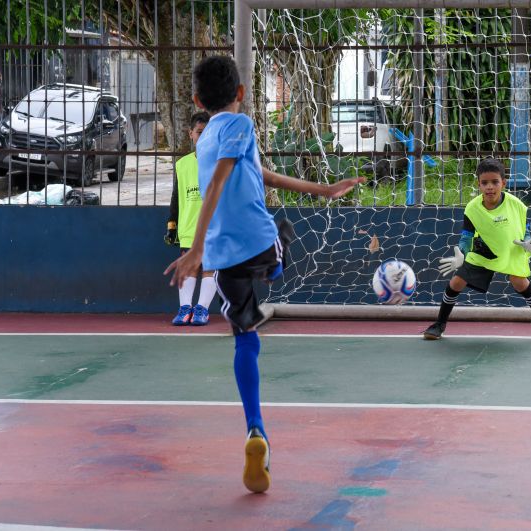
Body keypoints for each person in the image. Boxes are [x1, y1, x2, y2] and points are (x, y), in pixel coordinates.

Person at [164, 55, 364, 493]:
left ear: (197, 100)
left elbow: (258, 172)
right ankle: (275, 267)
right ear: (240, 93)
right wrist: (193, 247)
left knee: (244, 333)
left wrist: (323, 190)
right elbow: (219, 181)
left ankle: (256, 429)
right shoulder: (240, 125)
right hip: (255, 241)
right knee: (282, 233)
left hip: (224, 255)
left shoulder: (205, 138)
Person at [422, 158, 531, 343]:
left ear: (503, 183)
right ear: (478, 184)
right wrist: (461, 255)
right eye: (484, 182)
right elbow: (466, 236)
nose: (490, 187)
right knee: (456, 282)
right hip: (484, 249)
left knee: (519, 282)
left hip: (511, 249)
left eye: (495, 182)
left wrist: (527, 241)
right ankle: (439, 324)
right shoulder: (472, 208)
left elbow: (525, 229)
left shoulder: (516, 204)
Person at [165, 111, 215, 326]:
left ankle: (202, 308)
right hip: (188, 227)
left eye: (207, 133)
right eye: (199, 132)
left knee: (210, 267)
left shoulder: (221, 163)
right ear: (191, 134)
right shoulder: (182, 164)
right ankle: (185, 308)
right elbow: (176, 197)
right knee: (189, 267)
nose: (203, 137)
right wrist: (172, 225)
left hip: (214, 228)